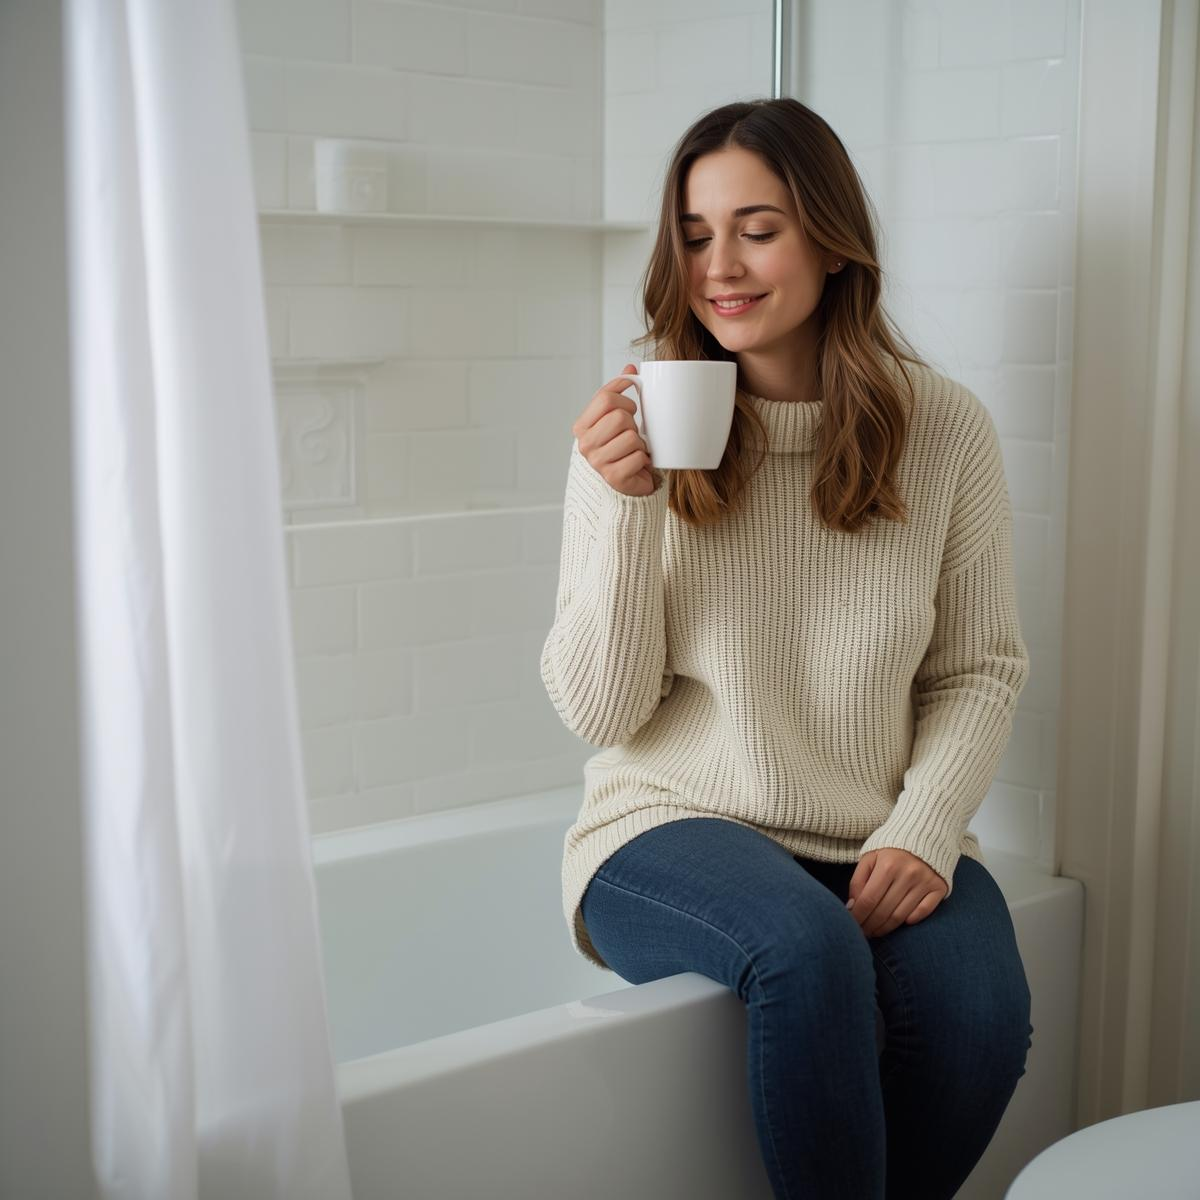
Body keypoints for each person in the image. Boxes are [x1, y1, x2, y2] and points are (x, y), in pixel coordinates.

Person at [539, 97, 1034, 1200]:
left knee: (982, 1016)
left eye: (757, 228)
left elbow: (978, 670)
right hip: (666, 825)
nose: (721, 264)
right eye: (698, 233)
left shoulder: (943, 429)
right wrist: (626, 503)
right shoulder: (632, 430)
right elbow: (601, 713)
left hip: (863, 827)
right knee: (805, 956)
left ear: (830, 238)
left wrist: (923, 826)